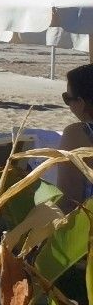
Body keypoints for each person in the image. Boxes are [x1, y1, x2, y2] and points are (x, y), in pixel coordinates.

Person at [59, 64, 93, 208]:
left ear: (81, 102)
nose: (69, 105)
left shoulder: (76, 134)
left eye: (67, 98)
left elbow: (69, 199)